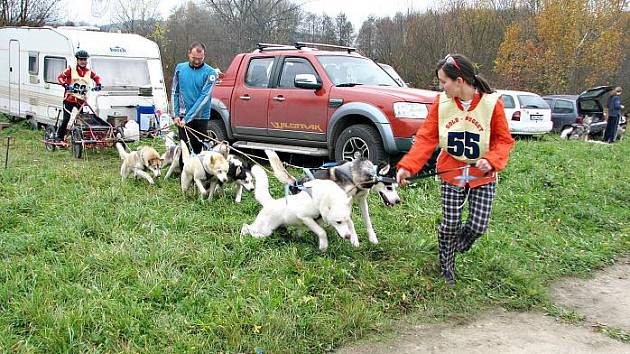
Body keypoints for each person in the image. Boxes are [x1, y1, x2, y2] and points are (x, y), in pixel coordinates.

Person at [395, 54, 515, 286]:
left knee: (478, 226)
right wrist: (408, 167)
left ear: (459, 81)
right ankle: (446, 267)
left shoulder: (492, 103)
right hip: (451, 171)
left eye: (444, 82)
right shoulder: (442, 104)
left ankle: (453, 243)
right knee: (450, 223)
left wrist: (491, 159)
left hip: (483, 174)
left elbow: (504, 140)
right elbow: (426, 138)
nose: (441, 87)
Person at [171, 41, 219, 160]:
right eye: (194, 58)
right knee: (184, 149)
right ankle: (183, 176)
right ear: (188, 54)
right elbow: (174, 92)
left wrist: (188, 118)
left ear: (204, 56)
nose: (197, 61)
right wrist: (176, 114)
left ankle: (196, 176)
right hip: (182, 115)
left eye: (200, 58)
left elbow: (204, 97)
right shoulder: (180, 68)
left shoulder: (210, 73)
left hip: (201, 117)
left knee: (197, 149)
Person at [56, 49, 102, 141]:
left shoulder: (89, 72)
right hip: (69, 99)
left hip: (81, 100)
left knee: (84, 120)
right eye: (81, 59)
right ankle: (59, 137)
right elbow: (60, 77)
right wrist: (65, 84)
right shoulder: (71, 70)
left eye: (85, 60)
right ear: (77, 60)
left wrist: (98, 84)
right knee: (66, 119)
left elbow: (97, 77)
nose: (83, 62)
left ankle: (80, 137)